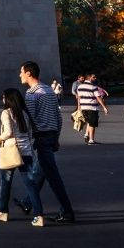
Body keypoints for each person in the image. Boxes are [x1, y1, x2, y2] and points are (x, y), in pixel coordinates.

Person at [19, 61, 74, 223]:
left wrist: (25, 143)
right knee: (41, 172)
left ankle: (67, 212)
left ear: (29, 73)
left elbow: (29, 120)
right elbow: (58, 118)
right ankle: (28, 202)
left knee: (53, 177)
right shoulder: (49, 90)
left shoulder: (31, 93)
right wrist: (56, 138)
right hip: (50, 136)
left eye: (21, 72)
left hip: (41, 138)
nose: (20, 75)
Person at [0, 87, 45, 227]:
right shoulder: (24, 113)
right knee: (30, 184)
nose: (3, 99)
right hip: (26, 152)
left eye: (4, 97)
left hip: (11, 151)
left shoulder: (6, 113)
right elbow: (29, 135)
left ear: (8, 99)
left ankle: (2, 211)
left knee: (5, 183)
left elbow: (8, 132)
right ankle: (39, 215)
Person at [72, 74, 108, 144]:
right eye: (93, 77)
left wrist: (79, 107)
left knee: (88, 121)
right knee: (92, 124)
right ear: (89, 78)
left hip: (83, 107)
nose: (95, 78)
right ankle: (91, 140)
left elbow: (78, 97)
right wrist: (104, 107)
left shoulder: (80, 87)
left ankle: (86, 135)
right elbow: (98, 97)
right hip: (92, 107)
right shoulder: (93, 87)